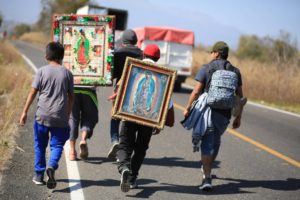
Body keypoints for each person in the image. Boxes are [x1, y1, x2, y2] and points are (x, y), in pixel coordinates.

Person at [183, 41, 245, 191]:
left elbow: (197, 91)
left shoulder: (207, 68)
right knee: (215, 140)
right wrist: (238, 117)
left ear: (216, 53)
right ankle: (207, 167)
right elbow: (240, 97)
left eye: (212, 52)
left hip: (208, 111)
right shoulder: (235, 71)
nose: (211, 54)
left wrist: (188, 107)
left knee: (207, 144)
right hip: (224, 114)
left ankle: (207, 178)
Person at [116, 44, 173, 193]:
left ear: (143, 56)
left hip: (129, 115)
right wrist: (159, 123)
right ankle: (132, 178)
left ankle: (124, 167)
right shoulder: (164, 77)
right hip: (148, 120)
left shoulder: (132, 69)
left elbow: (121, 90)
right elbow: (166, 105)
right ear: (158, 58)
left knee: (124, 146)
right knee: (140, 149)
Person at [19, 42, 74, 189]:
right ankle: (52, 165)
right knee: (57, 145)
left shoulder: (41, 71)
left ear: (46, 56)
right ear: (62, 57)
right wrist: (67, 114)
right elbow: (71, 97)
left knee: (40, 146)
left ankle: (38, 175)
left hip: (41, 116)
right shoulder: (68, 73)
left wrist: (24, 111)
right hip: (60, 117)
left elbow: (33, 92)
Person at [107, 29, 143, 160]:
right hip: (137, 91)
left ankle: (115, 140)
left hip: (119, 89)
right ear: (135, 41)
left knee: (115, 116)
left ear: (123, 41)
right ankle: (124, 149)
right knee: (129, 120)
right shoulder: (142, 54)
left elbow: (112, 75)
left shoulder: (118, 53)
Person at [68, 87, 99, 161]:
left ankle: (72, 152)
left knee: (73, 119)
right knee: (89, 117)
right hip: (88, 91)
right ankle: (83, 139)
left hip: (73, 89)